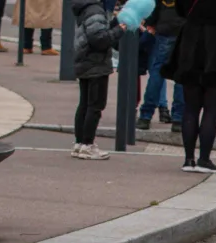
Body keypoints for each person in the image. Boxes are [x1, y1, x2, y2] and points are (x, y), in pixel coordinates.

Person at [162, 0, 216, 174]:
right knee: (212, 108)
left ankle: (188, 159)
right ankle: (204, 159)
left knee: (191, 107)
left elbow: (180, 10)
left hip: (191, 44)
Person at [71, 0, 125, 161]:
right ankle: (88, 145)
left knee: (84, 104)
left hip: (85, 62)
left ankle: (80, 143)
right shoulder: (95, 11)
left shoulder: (86, 8)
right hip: (96, 63)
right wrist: (119, 30)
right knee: (95, 105)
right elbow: (99, 40)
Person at [138, 0, 185, 133]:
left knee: (157, 72)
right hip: (183, 30)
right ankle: (178, 118)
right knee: (181, 75)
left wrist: (151, 22)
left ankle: (146, 115)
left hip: (164, 30)